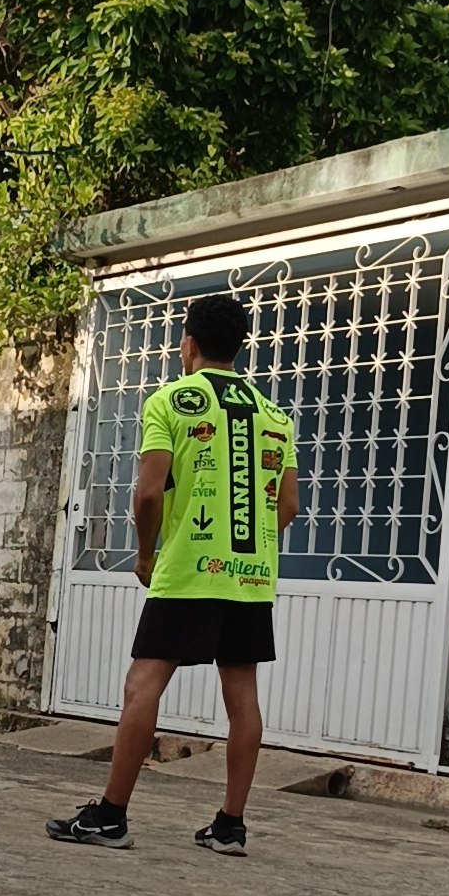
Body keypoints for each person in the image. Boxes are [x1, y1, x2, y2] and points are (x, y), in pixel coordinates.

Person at [47, 291, 299, 855]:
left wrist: (144, 554)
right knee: (243, 696)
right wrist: (251, 545)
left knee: (144, 683)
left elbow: (147, 495)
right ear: (240, 346)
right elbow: (288, 507)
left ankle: (111, 816)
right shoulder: (276, 416)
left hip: (188, 570)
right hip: (250, 576)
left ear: (188, 344)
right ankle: (230, 825)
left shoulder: (172, 401)